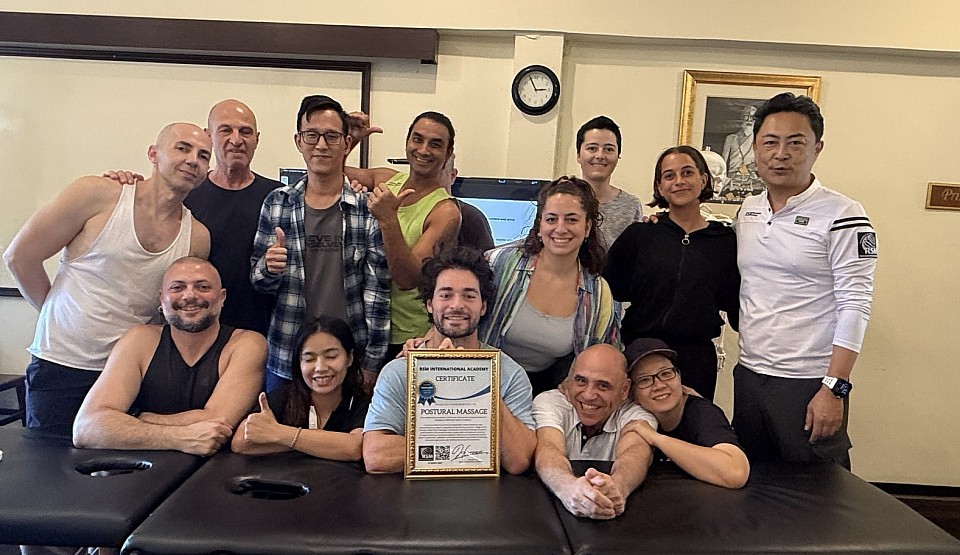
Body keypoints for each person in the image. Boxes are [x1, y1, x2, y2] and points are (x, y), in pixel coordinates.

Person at [3, 122, 212, 436]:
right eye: (183, 148)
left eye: (203, 155)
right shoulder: (98, 194)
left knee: (122, 466)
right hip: (62, 366)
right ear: (153, 154)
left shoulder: (197, 236)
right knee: (50, 463)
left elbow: (171, 311)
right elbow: (20, 257)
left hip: (129, 375)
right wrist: (57, 315)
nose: (193, 160)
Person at [733, 93, 877, 469]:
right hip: (750, 375)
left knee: (818, 492)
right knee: (751, 483)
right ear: (755, 148)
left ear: (817, 148)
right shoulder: (748, 211)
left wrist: (835, 386)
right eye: (770, 142)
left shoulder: (843, 214)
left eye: (795, 143)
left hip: (809, 381)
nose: (781, 154)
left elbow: (855, 303)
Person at [251, 95, 390, 393]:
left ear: (346, 143)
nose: (321, 145)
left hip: (348, 358)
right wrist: (268, 268)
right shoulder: (277, 203)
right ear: (299, 141)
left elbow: (377, 291)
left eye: (331, 136)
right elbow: (258, 283)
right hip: (288, 354)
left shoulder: (366, 208)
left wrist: (372, 362)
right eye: (312, 135)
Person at [363, 246, 536, 475]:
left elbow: (518, 459)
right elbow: (377, 456)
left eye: (469, 296)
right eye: (445, 295)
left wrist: (477, 378)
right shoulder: (399, 370)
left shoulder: (510, 373)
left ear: (483, 306)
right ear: (429, 304)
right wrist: (473, 447)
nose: (456, 305)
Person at [72, 257, 266, 455]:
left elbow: (217, 423)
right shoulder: (139, 340)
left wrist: (138, 418)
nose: (189, 295)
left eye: (203, 287)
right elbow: (87, 428)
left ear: (222, 297)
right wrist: (180, 438)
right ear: (161, 298)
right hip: (140, 464)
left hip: (215, 467)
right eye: (177, 288)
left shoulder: (247, 344)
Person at [603, 146, 739, 401]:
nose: (679, 181)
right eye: (669, 175)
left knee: (694, 423)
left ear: (703, 179)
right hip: (642, 352)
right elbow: (609, 290)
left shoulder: (725, 241)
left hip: (696, 360)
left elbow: (734, 302)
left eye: (687, 172)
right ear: (660, 186)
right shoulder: (640, 235)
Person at [479, 176, 621, 396]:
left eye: (571, 220)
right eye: (552, 219)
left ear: (587, 228)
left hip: (549, 391)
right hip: (484, 378)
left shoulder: (598, 293)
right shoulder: (498, 263)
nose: (560, 229)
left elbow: (606, 353)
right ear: (539, 226)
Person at [345, 111, 462, 357]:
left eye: (435, 144)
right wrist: (351, 139)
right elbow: (325, 172)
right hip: (365, 322)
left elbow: (407, 278)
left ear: (448, 152)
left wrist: (388, 219)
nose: (424, 150)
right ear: (407, 142)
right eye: (417, 139)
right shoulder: (386, 180)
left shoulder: (445, 211)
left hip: (406, 337)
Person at [183, 99, 283, 335]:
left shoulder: (278, 197)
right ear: (208, 136)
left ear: (257, 139)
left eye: (245, 131)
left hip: (264, 333)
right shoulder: (186, 195)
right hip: (198, 332)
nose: (236, 140)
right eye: (226, 130)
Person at [533, 343, 656, 520]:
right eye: (581, 381)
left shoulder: (637, 414)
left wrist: (618, 487)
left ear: (624, 390)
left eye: (603, 385)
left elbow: (636, 453)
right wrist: (568, 488)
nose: (588, 395)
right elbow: (548, 449)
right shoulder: (550, 402)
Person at [232, 316, 369, 460]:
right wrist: (322, 444)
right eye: (309, 359)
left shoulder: (362, 403)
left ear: (349, 358)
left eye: (331, 356)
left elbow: (355, 448)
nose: (320, 367)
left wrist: (279, 433)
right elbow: (240, 442)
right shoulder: (286, 396)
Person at [624, 338, 749, 489]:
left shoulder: (702, 413)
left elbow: (736, 472)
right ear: (631, 393)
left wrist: (656, 438)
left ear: (679, 377)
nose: (659, 385)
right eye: (644, 380)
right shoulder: (630, 414)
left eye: (666, 373)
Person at [575, 116, 641, 248]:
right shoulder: (559, 200)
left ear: (618, 156)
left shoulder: (631, 206)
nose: (600, 156)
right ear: (578, 155)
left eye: (609, 149)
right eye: (592, 148)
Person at [441, 153, 495, 252]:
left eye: (437, 174)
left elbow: (486, 259)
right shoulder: (411, 210)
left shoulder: (470, 217)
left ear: (452, 176)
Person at [720, 104, 763, 200]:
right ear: (741, 118)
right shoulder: (731, 138)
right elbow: (723, 163)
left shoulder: (759, 140)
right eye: (746, 116)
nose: (749, 120)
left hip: (752, 182)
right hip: (732, 182)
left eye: (752, 117)